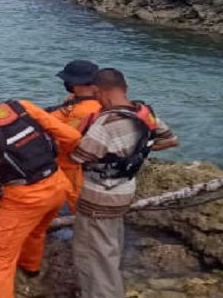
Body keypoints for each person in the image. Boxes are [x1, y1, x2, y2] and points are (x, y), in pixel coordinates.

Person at [0, 72, 82, 298]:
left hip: (24, 198)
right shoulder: (22, 106)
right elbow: (70, 136)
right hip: (58, 184)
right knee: (36, 230)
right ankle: (31, 268)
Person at [71, 68, 180, 298]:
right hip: (125, 190)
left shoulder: (104, 124)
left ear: (97, 91)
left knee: (95, 254)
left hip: (98, 198)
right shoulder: (145, 113)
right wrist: (136, 153)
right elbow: (170, 140)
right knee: (110, 247)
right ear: (125, 88)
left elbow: (78, 157)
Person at [49, 59, 102, 212]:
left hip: (67, 162)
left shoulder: (85, 110)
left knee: (69, 196)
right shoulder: (78, 100)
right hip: (68, 159)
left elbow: (65, 137)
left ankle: (68, 226)